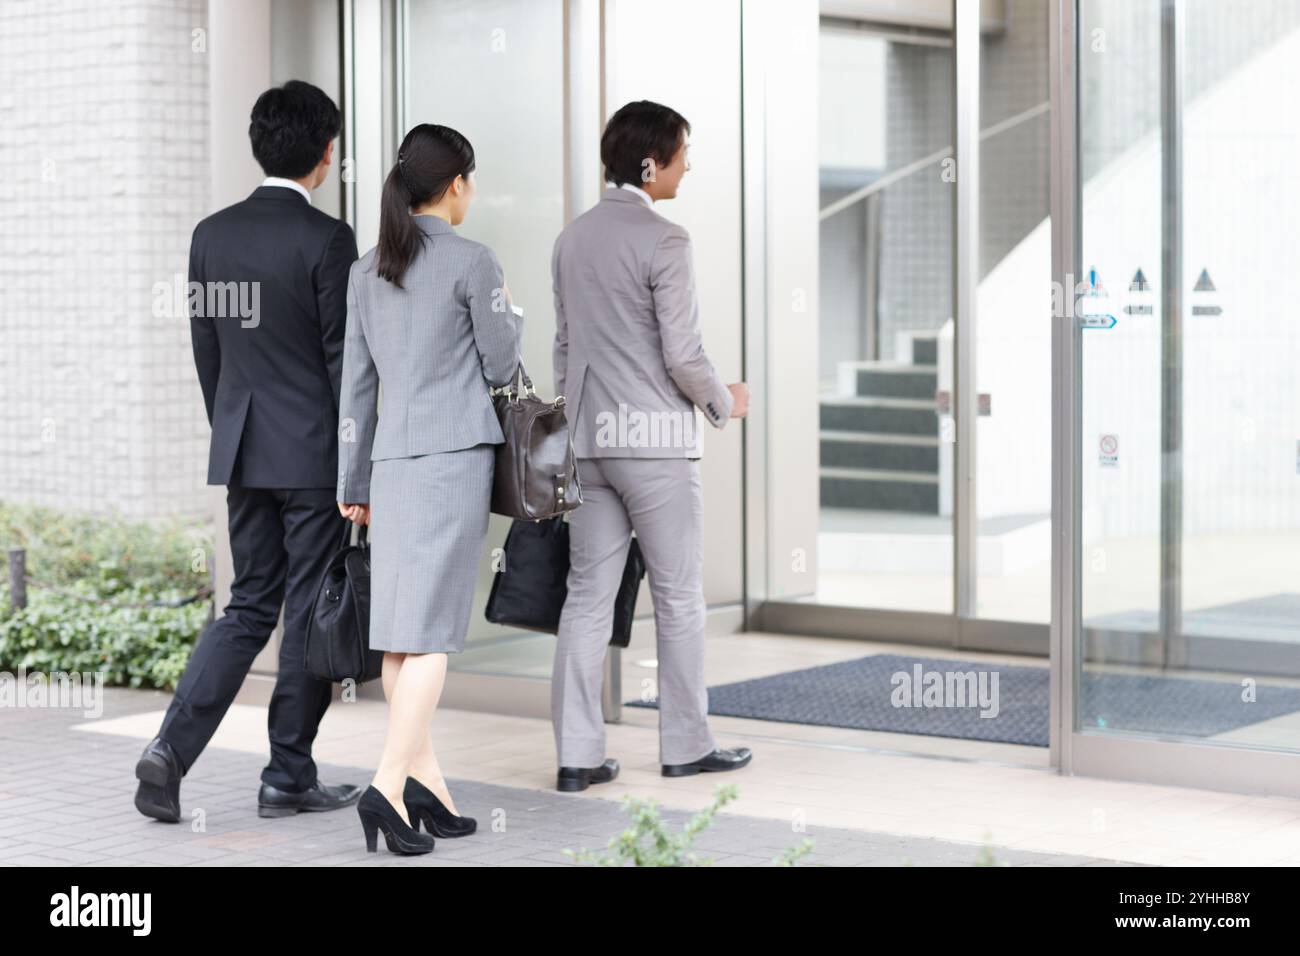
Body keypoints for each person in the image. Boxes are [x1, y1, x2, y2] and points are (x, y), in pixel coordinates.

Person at [135, 80, 361, 823]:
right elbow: (343, 368)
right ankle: (287, 775)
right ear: (325, 155)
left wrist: (233, 429)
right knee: (306, 613)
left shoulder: (211, 234)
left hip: (243, 450)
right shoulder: (329, 240)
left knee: (247, 605)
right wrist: (357, 467)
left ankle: (169, 750)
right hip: (314, 457)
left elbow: (210, 354)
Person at [549, 100, 752, 792]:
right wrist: (726, 401)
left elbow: (565, 347)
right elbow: (683, 353)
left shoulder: (570, 239)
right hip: (656, 445)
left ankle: (577, 756)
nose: (686, 165)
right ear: (650, 163)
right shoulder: (667, 239)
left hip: (590, 444)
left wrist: (576, 427)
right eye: (681, 153)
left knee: (586, 599)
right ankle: (686, 746)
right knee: (678, 595)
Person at [337, 123, 521, 855]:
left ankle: (427, 786)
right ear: (456, 185)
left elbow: (354, 389)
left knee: (401, 631)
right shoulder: (474, 261)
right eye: (471, 181)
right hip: (450, 462)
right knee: (435, 634)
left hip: (390, 463)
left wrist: (351, 481)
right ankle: (384, 788)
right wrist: (511, 313)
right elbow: (504, 366)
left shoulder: (365, 269)